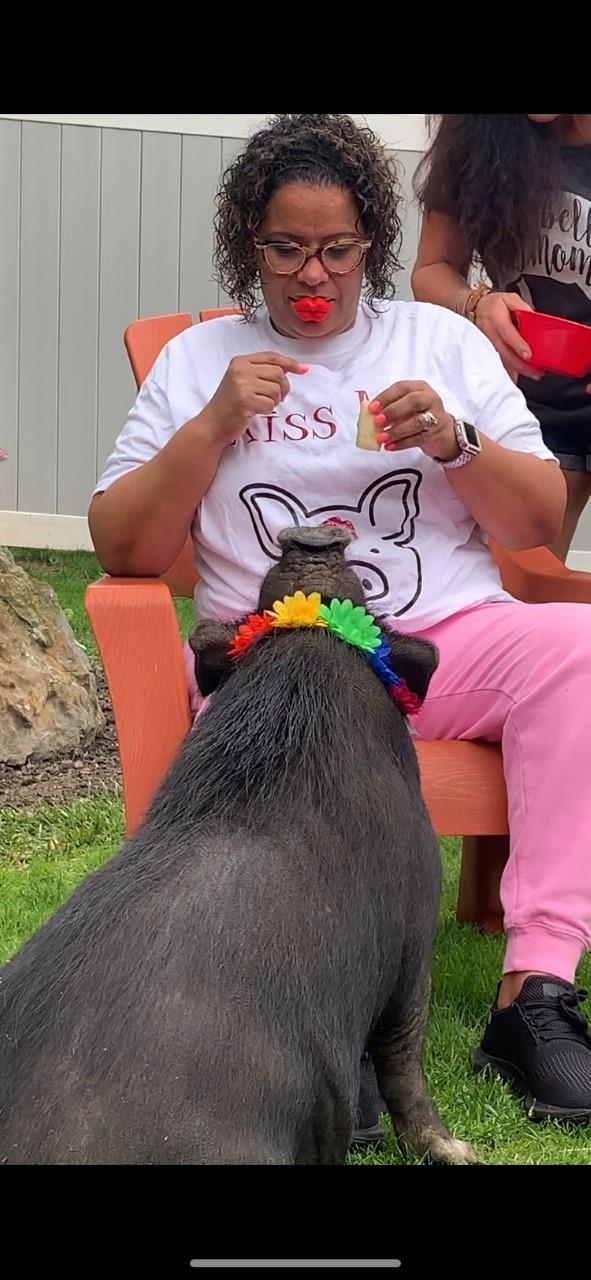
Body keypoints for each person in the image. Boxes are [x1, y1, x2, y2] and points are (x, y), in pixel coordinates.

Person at [89, 113, 591, 1134]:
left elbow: (540, 520)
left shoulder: (438, 342)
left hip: (441, 644)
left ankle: (534, 995)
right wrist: (213, 424)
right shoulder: (201, 360)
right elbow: (123, 546)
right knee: (281, 695)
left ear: (373, 245)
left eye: (338, 250)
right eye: (284, 249)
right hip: (275, 661)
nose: (311, 273)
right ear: (248, 246)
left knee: (577, 650)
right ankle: (322, 1016)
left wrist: (456, 443)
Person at [412, 113, 591, 561]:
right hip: (532, 416)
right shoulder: (478, 130)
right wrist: (476, 304)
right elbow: (432, 270)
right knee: (523, 597)